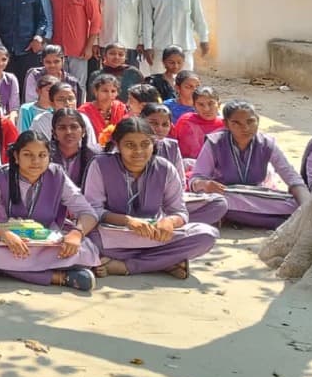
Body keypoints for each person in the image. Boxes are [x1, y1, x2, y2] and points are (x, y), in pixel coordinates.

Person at [84, 117, 218, 279]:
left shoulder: (164, 168)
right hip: (114, 234)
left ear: (153, 144)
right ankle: (166, 262)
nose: (138, 151)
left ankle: (125, 265)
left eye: (145, 144)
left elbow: (179, 212)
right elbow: (93, 210)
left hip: (155, 235)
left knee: (206, 235)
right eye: (130, 145)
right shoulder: (100, 165)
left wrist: (169, 222)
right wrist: (128, 222)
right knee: (88, 240)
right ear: (117, 145)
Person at [0, 131, 100, 290]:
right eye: (28, 155)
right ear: (16, 156)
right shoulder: (1, 177)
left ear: (50, 156)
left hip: (45, 240)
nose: (36, 161)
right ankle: (59, 277)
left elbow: (88, 213)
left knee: (86, 247)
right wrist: (4, 234)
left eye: (42, 155)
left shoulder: (57, 175)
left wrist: (77, 234)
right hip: (6, 243)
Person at [191, 100, 309, 228]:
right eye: (236, 123)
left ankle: (232, 217)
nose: (245, 128)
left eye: (250, 121)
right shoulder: (215, 143)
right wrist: (205, 184)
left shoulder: (267, 143)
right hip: (226, 195)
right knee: (215, 202)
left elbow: (292, 178)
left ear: (257, 120)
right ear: (226, 124)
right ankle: (285, 222)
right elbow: (195, 180)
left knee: (295, 203)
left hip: (257, 196)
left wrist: (308, 207)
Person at [142, 102, 228, 226]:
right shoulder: (134, 146)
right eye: (154, 123)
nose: (159, 128)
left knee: (219, 203)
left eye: (165, 124)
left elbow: (181, 183)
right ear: (141, 121)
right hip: (140, 202)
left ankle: (166, 223)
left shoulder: (172, 146)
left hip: (169, 202)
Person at [48, 0, 99, 85]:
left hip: (79, 50)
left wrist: (89, 47)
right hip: (57, 49)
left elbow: (96, 21)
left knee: (78, 84)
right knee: (57, 83)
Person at [48, 106, 102, 188]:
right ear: (54, 133)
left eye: (74, 127)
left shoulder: (94, 157)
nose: (68, 132)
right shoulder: (44, 156)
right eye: (62, 128)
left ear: (83, 131)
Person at [30, 81, 98, 143]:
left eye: (71, 99)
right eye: (61, 100)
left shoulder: (83, 119)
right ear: (52, 103)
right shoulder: (40, 121)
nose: (67, 103)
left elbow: (91, 144)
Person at [173, 86, 225, 159]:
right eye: (201, 104)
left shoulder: (225, 125)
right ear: (194, 106)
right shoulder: (186, 121)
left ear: (219, 104)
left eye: (211, 103)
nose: (206, 109)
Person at [80, 74, 129, 144]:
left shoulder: (121, 108)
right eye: (105, 91)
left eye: (113, 91)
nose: (109, 95)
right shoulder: (85, 111)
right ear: (95, 91)